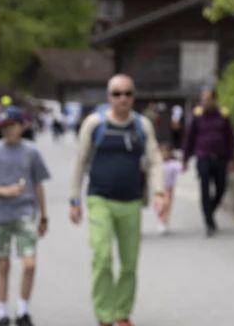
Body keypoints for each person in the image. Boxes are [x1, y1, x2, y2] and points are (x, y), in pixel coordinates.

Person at [69, 74, 167, 326]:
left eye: (128, 93)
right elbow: (80, 161)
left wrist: (158, 192)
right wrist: (74, 199)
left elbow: (155, 159)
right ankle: (104, 316)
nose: (123, 98)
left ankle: (122, 314)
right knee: (102, 257)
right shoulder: (93, 124)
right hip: (99, 198)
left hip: (131, 201)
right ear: (108, 96)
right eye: (117, 93)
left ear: (133, 96)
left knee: (129, 262)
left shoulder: (141, 125)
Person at [0, 106, 50, 326]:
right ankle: (2, 311)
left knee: (29, 263)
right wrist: (5, 191)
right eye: (4, 127)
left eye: (12, 126)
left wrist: (44, 215)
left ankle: (23, 309)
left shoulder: (31, 152)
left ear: (22, 126)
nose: (8, 131)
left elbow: (38, 184)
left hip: (25, 212)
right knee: (3, 264)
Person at [181, 87, 234, 237]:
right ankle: (208, 222)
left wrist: (232, 158)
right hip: (203, 157)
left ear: (214, 100)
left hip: (220, 158)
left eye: (207, 99)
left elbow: (230, 138)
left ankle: (209, 212)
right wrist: (185, 158)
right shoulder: (197, 116)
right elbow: (189, 138)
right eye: (202, 99)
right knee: (204, 190)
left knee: (221, 189)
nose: (204, 102)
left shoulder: (223, 115)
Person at [156, 144, 180, 235]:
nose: (163, 154)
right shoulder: (157, 164)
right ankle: (161, 220)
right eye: (161, 152)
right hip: (159, 188)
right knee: (160, 205)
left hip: (169, 189)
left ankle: (164, 221)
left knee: (167, 205)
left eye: (165, 152)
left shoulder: (172, 164)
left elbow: (180, 168)